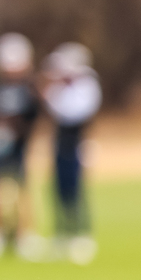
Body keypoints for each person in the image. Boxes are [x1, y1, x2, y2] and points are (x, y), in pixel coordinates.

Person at [0, 33, 45, 261]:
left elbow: (35, 116)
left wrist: (16, 129)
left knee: (21, 189)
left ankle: (25, 234)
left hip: (19, 145)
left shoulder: (31, 88)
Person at [40, 42, 101, 265]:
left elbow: (76, 113)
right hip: (59, 142)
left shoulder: (87, 85)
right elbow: (53, 111)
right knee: (58, 187)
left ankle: (81, 232)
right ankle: (62, 232)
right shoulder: (58, 87)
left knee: (76, 187)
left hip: (78, 142)